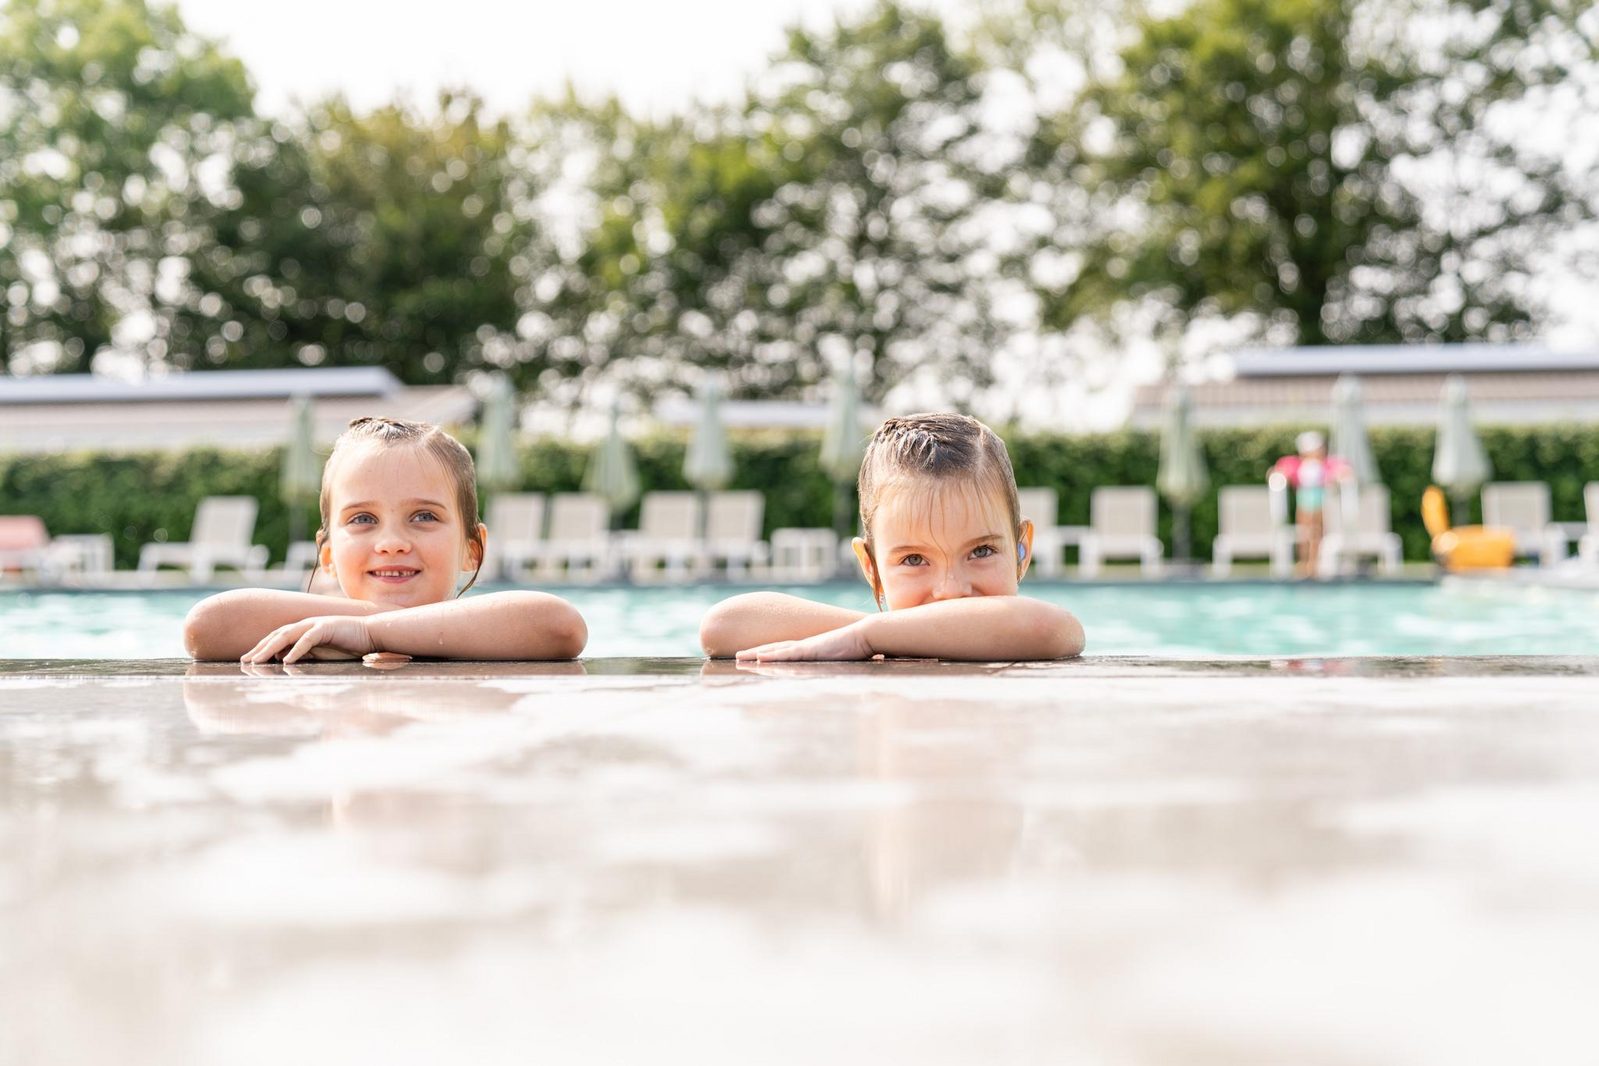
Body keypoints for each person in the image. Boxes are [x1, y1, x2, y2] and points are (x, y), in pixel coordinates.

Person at [184, 416, 587, 663]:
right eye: (362, 518)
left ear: (472, 549)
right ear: (327, 555)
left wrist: (369, 634)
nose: (391, 542)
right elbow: (207, 625)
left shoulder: (487, 628)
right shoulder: (314, 626)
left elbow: (560, 626)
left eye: (424, 516)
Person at [699, 412, 1085, 661]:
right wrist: (893, 634)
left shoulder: (871, 637)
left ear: (1022, 550)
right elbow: (722, 625)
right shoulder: (877, 635)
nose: (950, 591)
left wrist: (871, 636)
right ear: (871, 568)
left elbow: (1052, 629)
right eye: (914, 560)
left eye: (981, 551)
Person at [1269, 430, 1350, 579]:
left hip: (1320, 502)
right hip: (1305, 501)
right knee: (1305, 532)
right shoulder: (1296, 464)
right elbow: (1278, 471)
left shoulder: (1327, 464)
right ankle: (1304, 562)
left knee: (1316, 532)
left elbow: (1342, 471)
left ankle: (1314, 563)